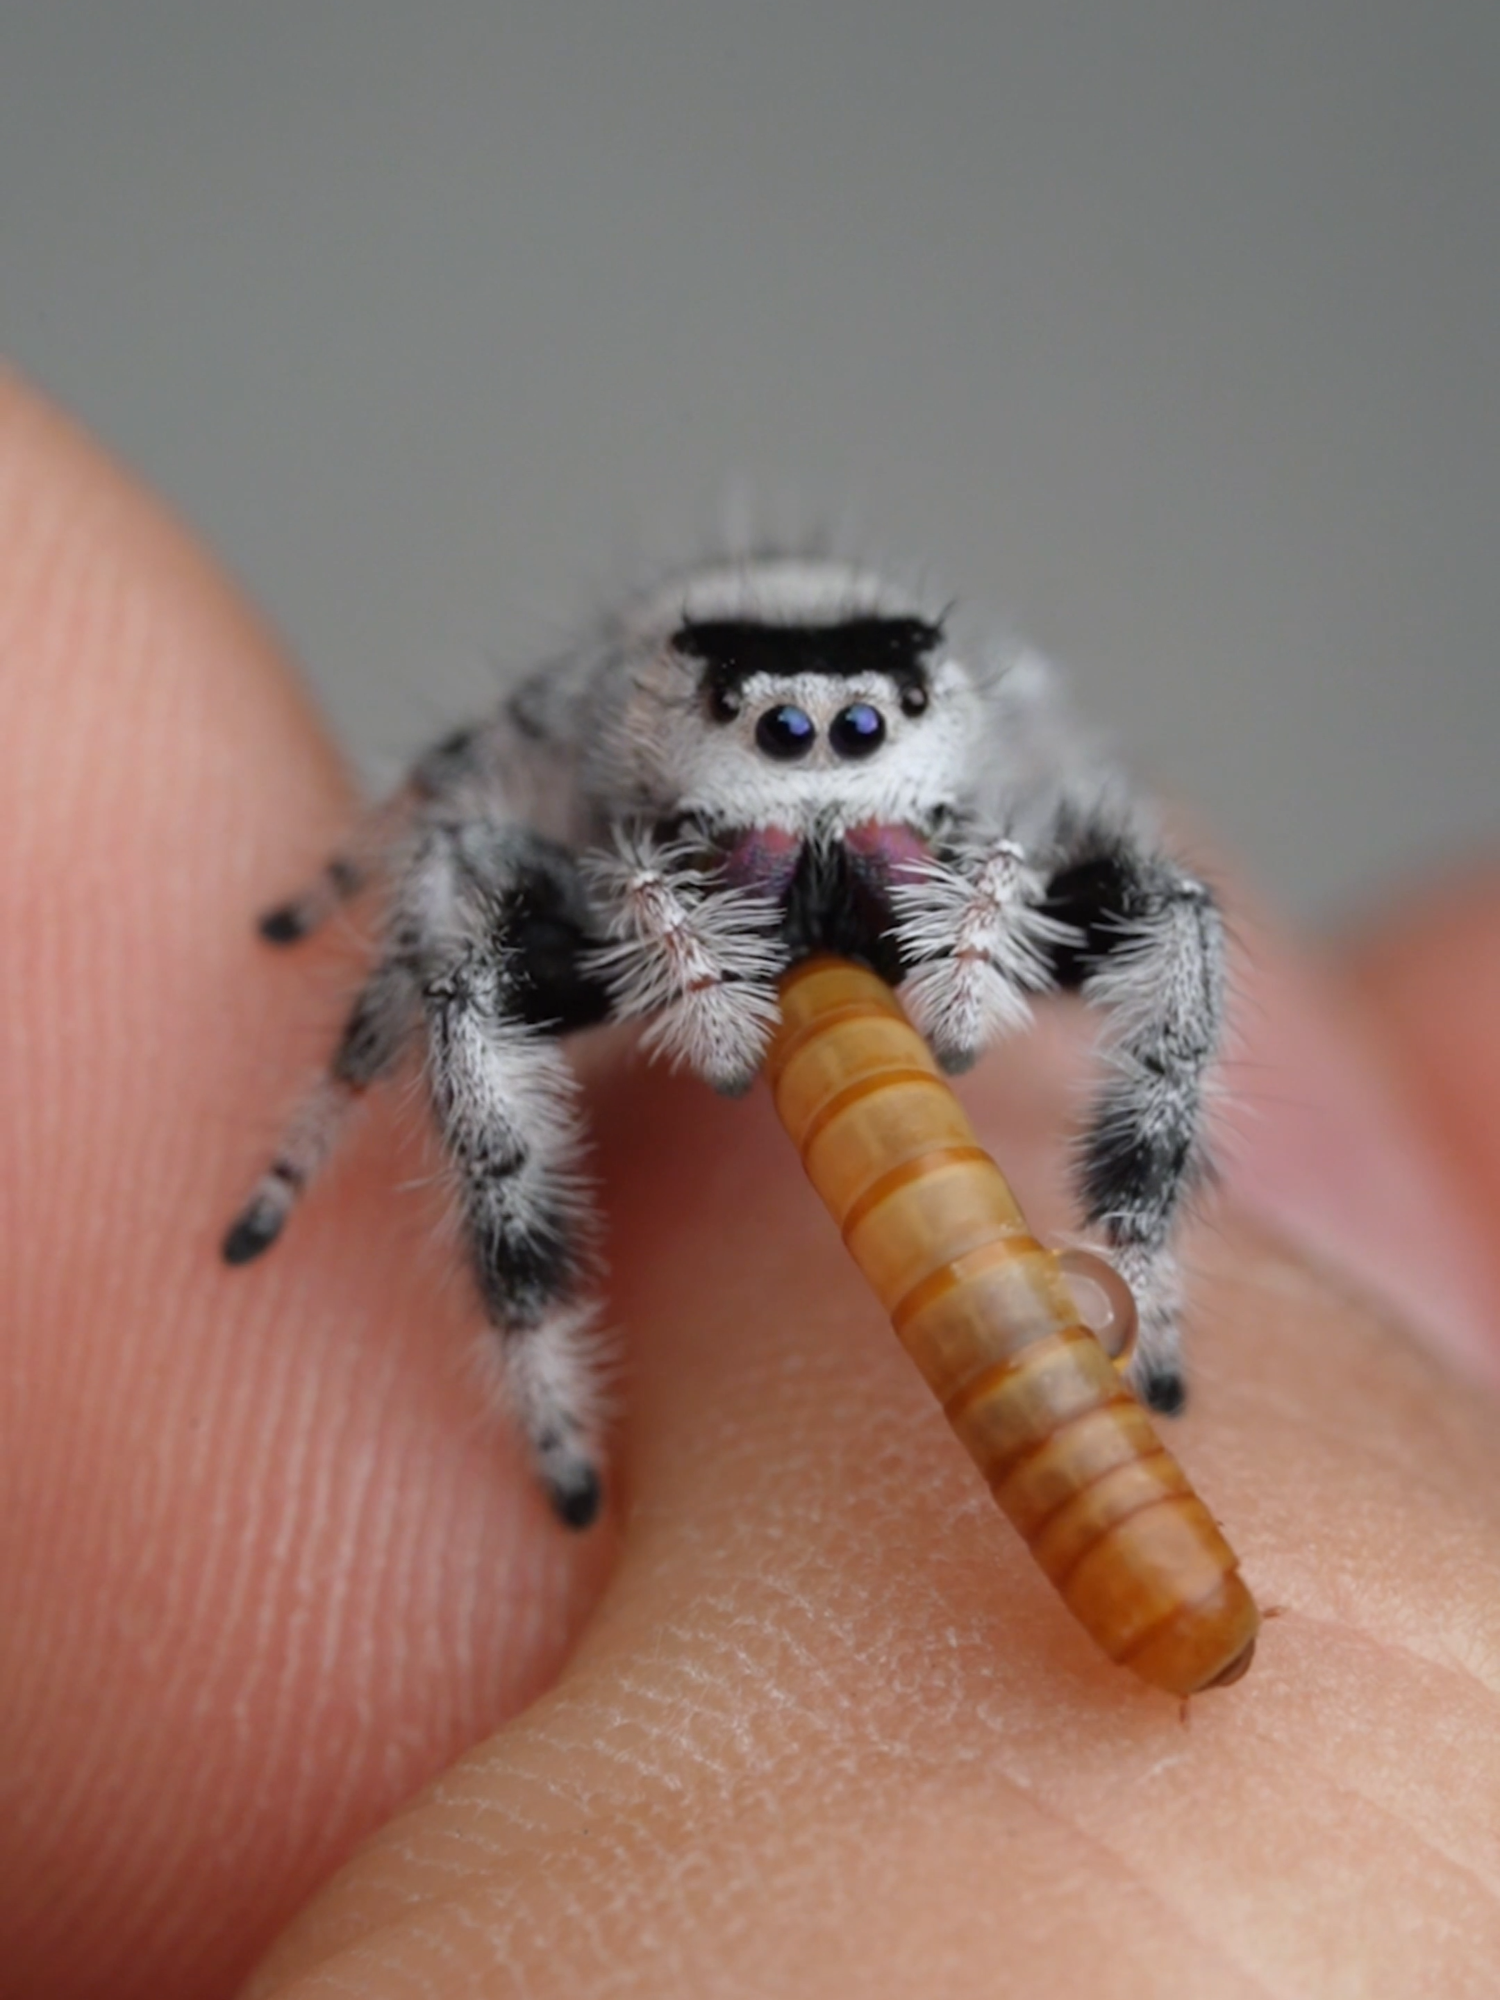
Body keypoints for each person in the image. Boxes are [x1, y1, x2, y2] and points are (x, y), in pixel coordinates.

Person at [2, 371, 1497, 2000]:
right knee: (458, 941)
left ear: (928, 713)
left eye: (864, 729)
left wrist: (1135, 1250)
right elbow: (458, 807)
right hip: (655, 870)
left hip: (938, 893)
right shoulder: (618, 725)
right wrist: (326, 1091)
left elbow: (1090, 791)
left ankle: (1153, 1260)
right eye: (777, 733)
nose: (822, 761)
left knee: (1176, 915)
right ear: (695, 715)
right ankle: (541, 1378)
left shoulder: (982, 758)